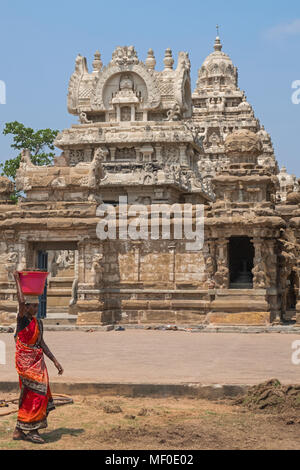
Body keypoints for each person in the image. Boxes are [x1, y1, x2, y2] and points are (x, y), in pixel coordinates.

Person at [12, 271, 64, 444]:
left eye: (37, 306)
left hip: (37, 362)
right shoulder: (22, 320)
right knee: (36, 394)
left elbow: (41, 343)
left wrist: (55, 360)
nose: (35, 309)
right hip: (26, 364)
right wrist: (17, 281)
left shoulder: (37, 322)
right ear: (25, 307)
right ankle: (32, 430)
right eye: (32, 306)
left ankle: (19, 430)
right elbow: (20, 300)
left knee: (30, 394)